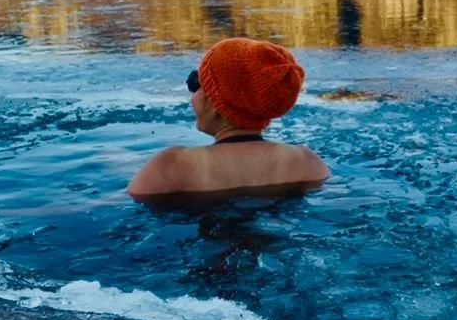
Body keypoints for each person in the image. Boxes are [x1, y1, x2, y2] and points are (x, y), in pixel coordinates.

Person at [127, 37, 330, 200]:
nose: (192, 95)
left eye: (197, 84)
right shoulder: (307, 163)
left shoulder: (170, 166)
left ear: (216, 103)